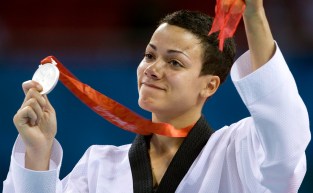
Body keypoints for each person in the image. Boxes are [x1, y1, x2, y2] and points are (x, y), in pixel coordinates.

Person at [3, 0, 311, 192]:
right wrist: (38, 151)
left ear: (210, 85)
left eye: (174, 62)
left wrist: (254, 14)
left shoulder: (238, 153)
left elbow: (286, 138)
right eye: (150, 56)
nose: (153, 69)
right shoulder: (98, 166)